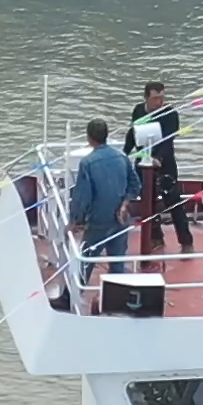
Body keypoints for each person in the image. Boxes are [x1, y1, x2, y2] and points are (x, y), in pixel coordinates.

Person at [67, 117, 137, 284]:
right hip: (120, 219)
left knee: (86, 259)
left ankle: (74, 293)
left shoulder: (87, 163)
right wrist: (124, 204)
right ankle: (117, 294)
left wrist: (75, 221)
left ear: (89, 137)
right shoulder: (122, 157)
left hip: (98, 220)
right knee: (117, 262)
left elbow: (82, 197)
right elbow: (135, 184)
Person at [128, 80, 194, 254]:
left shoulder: (170, 114)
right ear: (146, 98)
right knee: (147, 202)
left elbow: (168, 139)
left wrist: (158, 158)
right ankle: (156, 237)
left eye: (162, 98)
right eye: (155, 98)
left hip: (165, 165)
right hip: (143, 162)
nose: (159, 102)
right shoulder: (138, 111)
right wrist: (124, 153)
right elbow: (133, 134)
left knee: (173, 201)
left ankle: (186, 241)